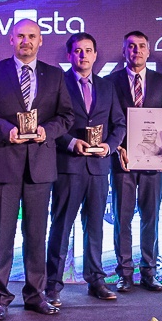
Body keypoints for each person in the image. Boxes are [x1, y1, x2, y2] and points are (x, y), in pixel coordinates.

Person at [0, 18, 74, 320]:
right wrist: (6, 130)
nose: (26, 41)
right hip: (4, 163)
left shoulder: (55, 75)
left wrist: (46, 131)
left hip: (40, 166)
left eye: (31, 36)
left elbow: (67, 116)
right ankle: (0, 298)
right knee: (1, 235)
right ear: (11, 40)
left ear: (41, 40)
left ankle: (35, 295)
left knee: (37, 235)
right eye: (20, 36)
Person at [45, 33, 126, 304]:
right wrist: (70, 142)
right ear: (70, 55)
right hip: (68, 166)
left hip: (99, 168)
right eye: (78, 51)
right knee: (61, 226)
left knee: (95, 227)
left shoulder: (107, 87)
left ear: (95, 55)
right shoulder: (58, 84)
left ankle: (96, 280)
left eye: (88, 50)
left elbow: (119, 124)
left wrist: (109, 146)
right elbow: (51, 123)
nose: (83, 55)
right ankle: (53, 285)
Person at [106, 31, 162, 292]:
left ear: (148, 50)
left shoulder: (161, 81)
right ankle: (124, 273)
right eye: (131, 47)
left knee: (150, 217)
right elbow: (107, 120)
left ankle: (149, 271)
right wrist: (117, 148)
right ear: (125, 51)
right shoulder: (111, 81)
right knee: (122, 219)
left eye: (141, 46)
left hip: (154, 162)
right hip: (122, 161)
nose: (136, 51)